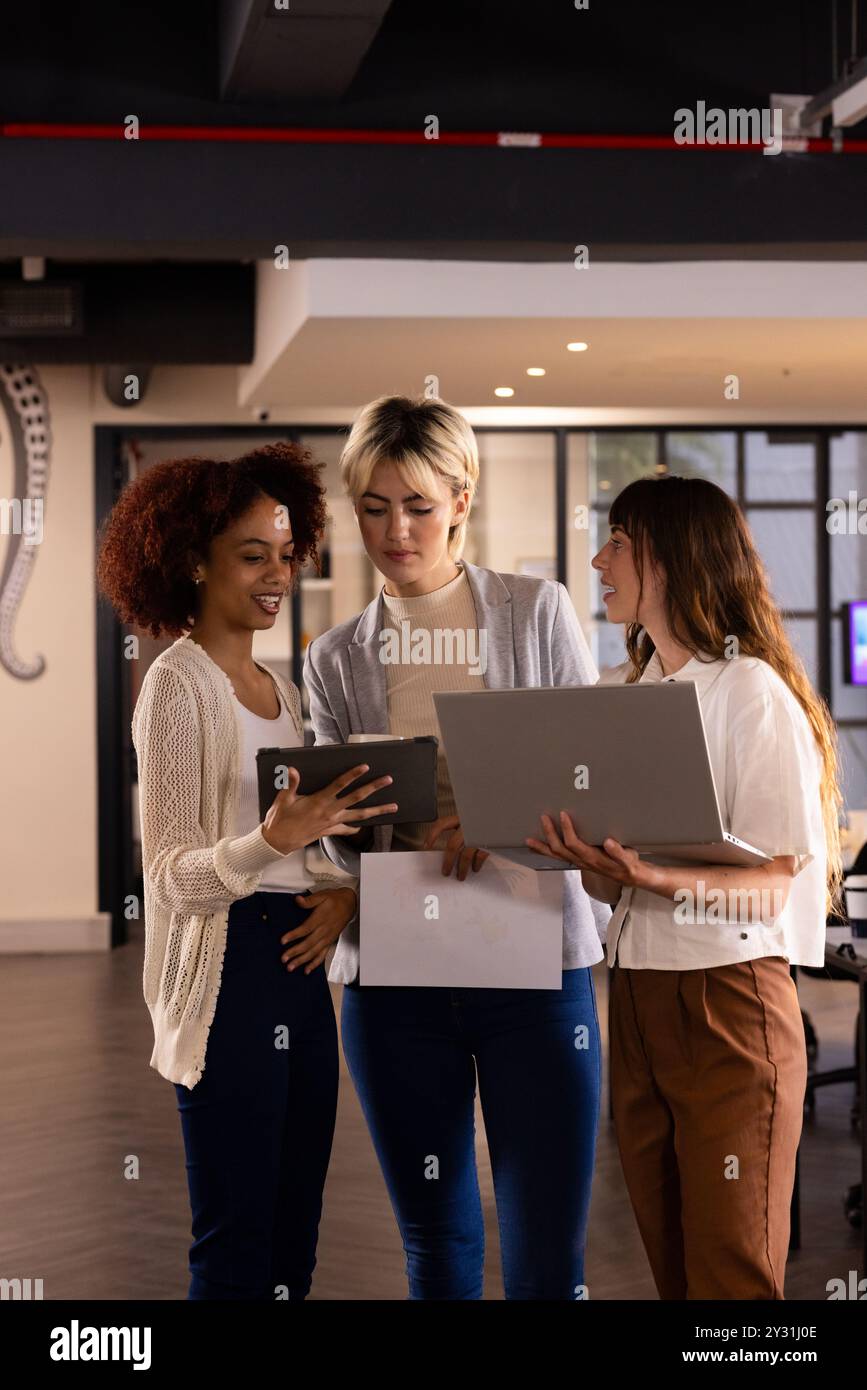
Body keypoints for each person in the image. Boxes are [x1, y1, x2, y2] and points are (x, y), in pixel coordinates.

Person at [303, 395, 609, 1300]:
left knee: (547, 1258)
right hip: (398, 981)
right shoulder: (336, 659)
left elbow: (591, 781)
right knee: (436, 1251)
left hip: (536, 970)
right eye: (373, 506)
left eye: (419, 505)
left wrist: (496, 820)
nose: (395, 530)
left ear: (461, 500)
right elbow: (337, 836)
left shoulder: (533, 612)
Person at [527, 474, 843, 1300]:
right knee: (673, 1267)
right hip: (635, 998)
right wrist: (603, 872)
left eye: (619, 542)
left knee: (730, 1274)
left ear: (670, 559)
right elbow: (632, 890)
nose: (598, 559)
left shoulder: (750, 694)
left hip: (726, 1005)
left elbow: (777, 889)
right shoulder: (633, 697)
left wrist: (649, 874)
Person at [96, 443, 396, 1300]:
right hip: (228, 974)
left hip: (299, 962)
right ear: (193, 560)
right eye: (251, 554)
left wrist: (337, 894)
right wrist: (269, 841)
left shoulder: (282, 689)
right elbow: (171, 877)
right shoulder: (175, 685)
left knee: (296, 1221)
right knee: (236, 1234)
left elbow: (308, 839)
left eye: (286, 552)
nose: (276, 575)